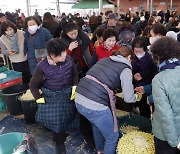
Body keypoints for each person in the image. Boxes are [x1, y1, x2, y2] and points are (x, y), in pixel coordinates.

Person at [75, 46, 142, 154]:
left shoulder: (105, 60)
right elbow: (129, 98)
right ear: (129, 57)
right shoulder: (125, 68)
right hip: (94, 105)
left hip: (79, 98)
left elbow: (102, 79)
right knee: (112, 137)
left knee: (97, 126)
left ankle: (100, 150)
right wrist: (137, 96)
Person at [30, 38, 80, 154]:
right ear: (52, 55)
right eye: (61, 55)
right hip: (53, 95)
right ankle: (59, 140)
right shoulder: (42, 67)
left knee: (71, 114)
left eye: (64, 52)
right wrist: (38, 98)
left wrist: (74, 86)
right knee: (57, 120)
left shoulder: (68, 59)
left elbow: (75, 74)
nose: (65, 56)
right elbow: (33, 85)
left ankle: (72, 130)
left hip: (68, 92)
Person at [150, 37, 180, 154]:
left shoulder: (159, 79)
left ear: (157, 56)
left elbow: (165, 116)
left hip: (166, 137)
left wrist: (175, 142)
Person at [132, 36, 158, 118]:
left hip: (146, 87)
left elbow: (154, 72)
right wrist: (134, 76)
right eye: (136, 51)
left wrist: (143, 75)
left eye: (140, 52)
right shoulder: (131, 57)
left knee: (144, 110)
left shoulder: (151, 58)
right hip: (134, 87)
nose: (138, 54)